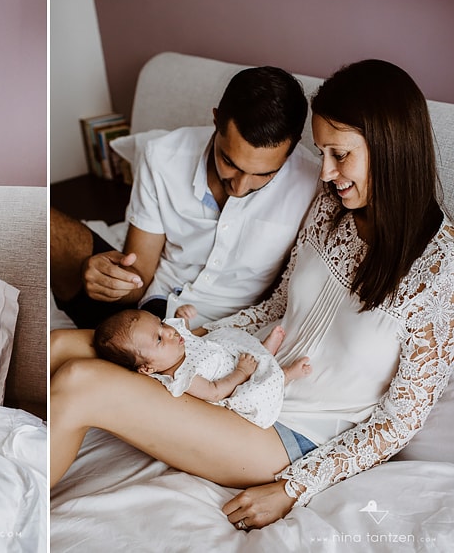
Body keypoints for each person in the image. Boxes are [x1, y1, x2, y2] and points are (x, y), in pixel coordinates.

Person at [50, 59, 454, 532]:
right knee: (61, 347)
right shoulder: (331, 208)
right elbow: (277, 306)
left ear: (391, 149)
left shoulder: (440, 271)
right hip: (243, 370)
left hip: (289, 431)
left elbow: (399, 423)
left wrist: (292, 487)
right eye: (321, 153)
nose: (324, 173)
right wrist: (193, 338)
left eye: (339, 155)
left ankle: (10, 513)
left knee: (82, 382)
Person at [49, 66, 319, 331]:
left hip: (220, 332)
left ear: (293, 149)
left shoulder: (312, 184)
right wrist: (108, 281)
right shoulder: (162, 156)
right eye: (229, 162)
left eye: (264, 174)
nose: (240, 186)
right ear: (215, 120)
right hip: (145, 315)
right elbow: (139, 274)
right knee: (45, 223)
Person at [92, 309, 311, 428]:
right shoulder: (182, 377)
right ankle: (284, 375)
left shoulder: (174, 346)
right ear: (147, 368)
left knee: (228, 339)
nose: (168, 331)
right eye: (158, 338)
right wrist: (241, 373)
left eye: (160, 323)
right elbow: (215, 390)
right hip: (234, 381)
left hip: (227, 354)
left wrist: (183, 319)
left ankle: (263, 351)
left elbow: (185, 335)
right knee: (256, 390)